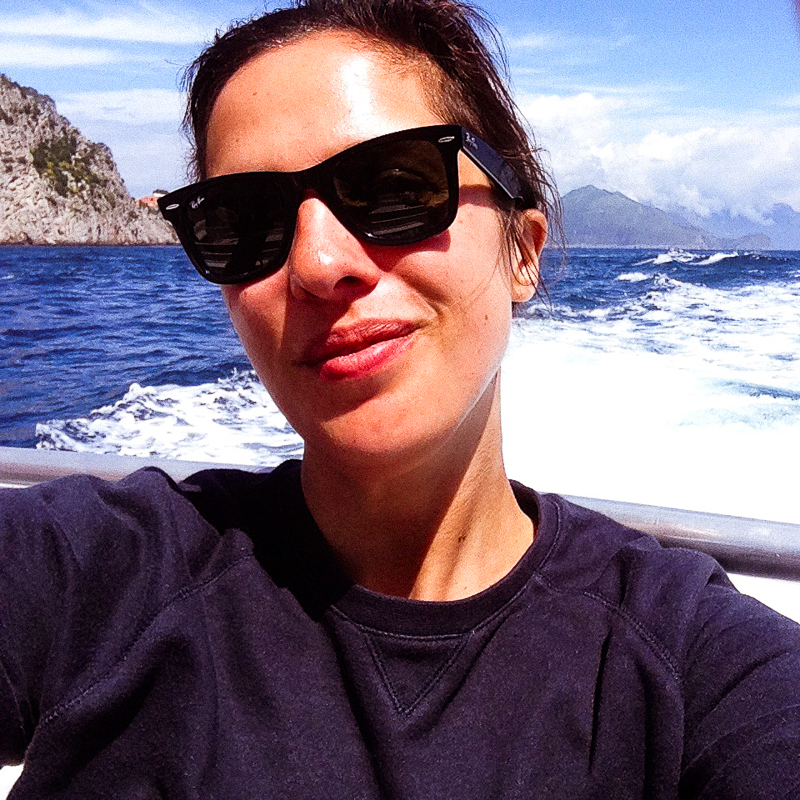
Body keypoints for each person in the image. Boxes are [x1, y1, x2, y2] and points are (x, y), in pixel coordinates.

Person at [2, 0, 800, 797]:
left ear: (523, 254)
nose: (318, 265)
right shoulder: (98, 574)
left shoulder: (690, 665)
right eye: (243, 221)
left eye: (393, 186)